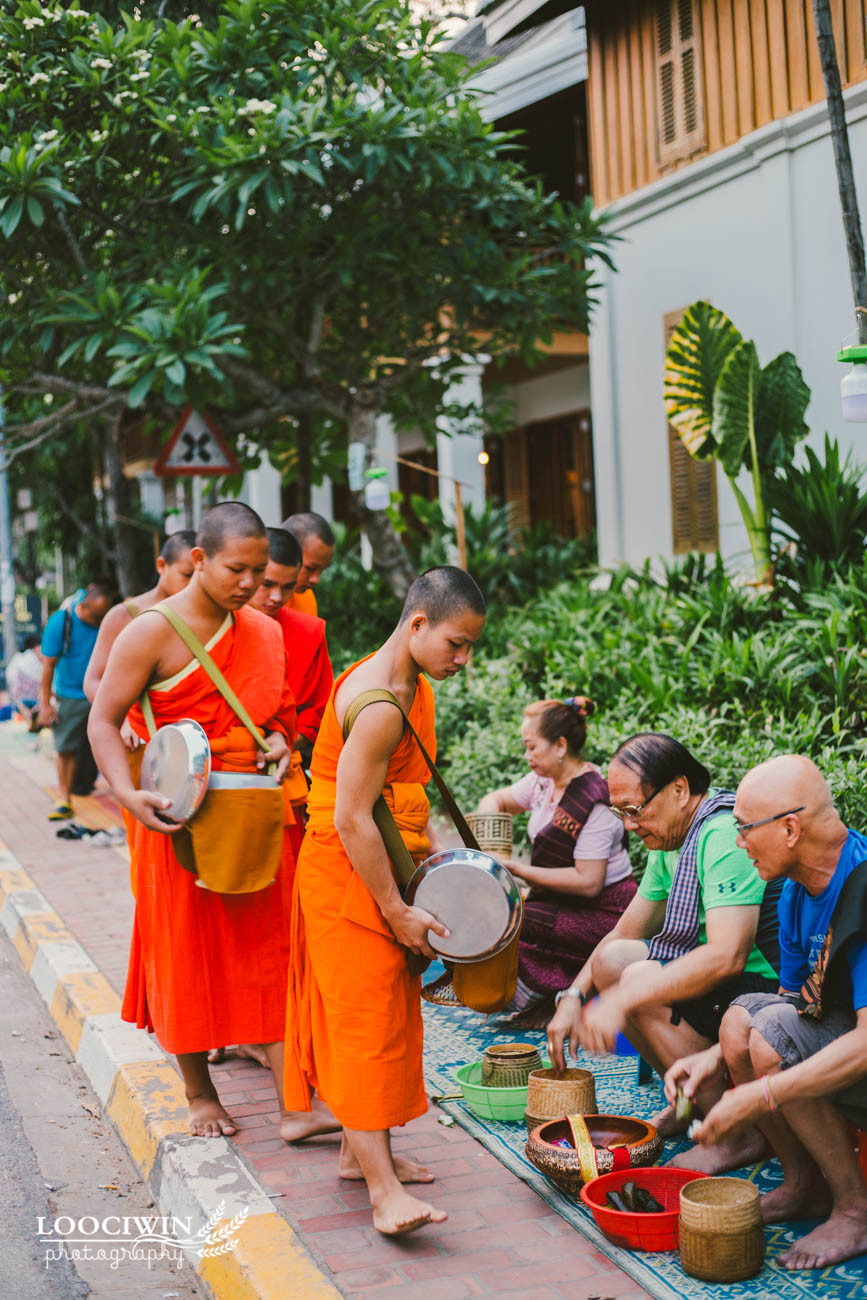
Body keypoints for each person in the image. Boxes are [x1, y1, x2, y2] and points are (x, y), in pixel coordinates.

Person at [88, 502, 311, 1141]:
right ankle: (198, 1090)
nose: (249, 585)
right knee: (182, 950)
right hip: (179, 815)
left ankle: (295, 1099)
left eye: (258, 572)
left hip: (252, 811)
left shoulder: (264, 632)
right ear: (198, 560)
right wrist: (127, 795)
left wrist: (278, 740)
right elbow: (104, 719)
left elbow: (281, 715)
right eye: (236, 569)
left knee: (272, 951)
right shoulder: (149, 631)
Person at [284, 565, 486, 1235]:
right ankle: (381, 1193)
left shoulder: (409, 683)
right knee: (362, 1022)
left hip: (383, 863)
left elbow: (391, 799)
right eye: (457, 643)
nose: (463, 659)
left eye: (470, 647)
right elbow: (349, 819)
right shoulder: (376, 703)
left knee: (387, 1011)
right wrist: (395, 910)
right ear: (419, 624)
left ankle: (358, 1152)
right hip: (349, 874)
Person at [664, 755, 867, 1270]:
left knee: (768, 1039)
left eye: (744, 829)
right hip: (842, 1041)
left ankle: (855, 1210)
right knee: (741, 1021)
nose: (738, 843)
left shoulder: (862, 889)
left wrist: (758, 1095)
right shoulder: (796, 891)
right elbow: (791, 1002)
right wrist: (712, 1059)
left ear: (791, 828)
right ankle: (804, 1187)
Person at [546, 732, 782, 1137]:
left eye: (635, 809)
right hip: (715, 983)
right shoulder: (669, 842)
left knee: (636, 978)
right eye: (621, 812)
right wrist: (573, 996)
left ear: (679, 789)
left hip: (764, 988)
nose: (630, 825)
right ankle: (690, 1101)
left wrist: (622, 999)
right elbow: (624, 932)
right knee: (612, 961)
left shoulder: (722, 834)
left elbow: (729, 956)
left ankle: (736, 1134)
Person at [476, 696, 636, 1020]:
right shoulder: (542, 782)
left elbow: (589, 883)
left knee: (517, 919)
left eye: (532, 747)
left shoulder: (595, 799)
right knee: (501, 910)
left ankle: (559, 997)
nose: (527, 756)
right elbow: (496, 799)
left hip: (605, 909)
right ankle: (540, 995)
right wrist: (493, 848)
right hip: (561, 898)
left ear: (560, 746)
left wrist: (518, 869)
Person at [248, 527, 333, 852]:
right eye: (266, 584)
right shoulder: (208, 626)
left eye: (287, 587)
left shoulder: (306, 632)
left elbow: (317, 713)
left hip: (281, 778)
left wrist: (283, 740)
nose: (275, 597)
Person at [83, 531, 196, 708]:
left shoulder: (207, 616)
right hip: (138, 729)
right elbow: (92, 681)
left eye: (199, 576)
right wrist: (121, 718)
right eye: (187, 575)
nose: (193, 584)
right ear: (161, 565)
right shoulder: (123, 615)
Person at [39, 580, 117, 819]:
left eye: (103, 617)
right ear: (83, 607)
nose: (99, 622)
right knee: (66, 748)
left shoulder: (107, 618)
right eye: (96, 617)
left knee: (111, 744)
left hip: (103, 692)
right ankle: (64, 799)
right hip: (70, 693)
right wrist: (44, 704)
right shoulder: (60, 623)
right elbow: (48, 666)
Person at [281, 511, 334, 616]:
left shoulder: (307, 598)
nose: (316, 579)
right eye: (310, 568)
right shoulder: (250, 598)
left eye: (322, 570)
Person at [6, 633, 43, 730]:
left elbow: (10, 678)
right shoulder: (38, 663)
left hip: (23, 702)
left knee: (22, 705)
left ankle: (32, 722)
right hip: (29, 702)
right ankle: (32, 722)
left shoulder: (18, 659)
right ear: (35, 648)